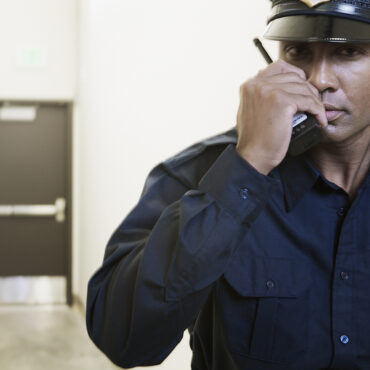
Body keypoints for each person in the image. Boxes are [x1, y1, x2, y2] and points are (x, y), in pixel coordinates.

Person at [86, 0, 370, 369]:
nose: (319, 80)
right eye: (299, 51)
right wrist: (247, 165)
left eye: (348, 52)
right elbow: (122, 338)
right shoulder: (201, 173)